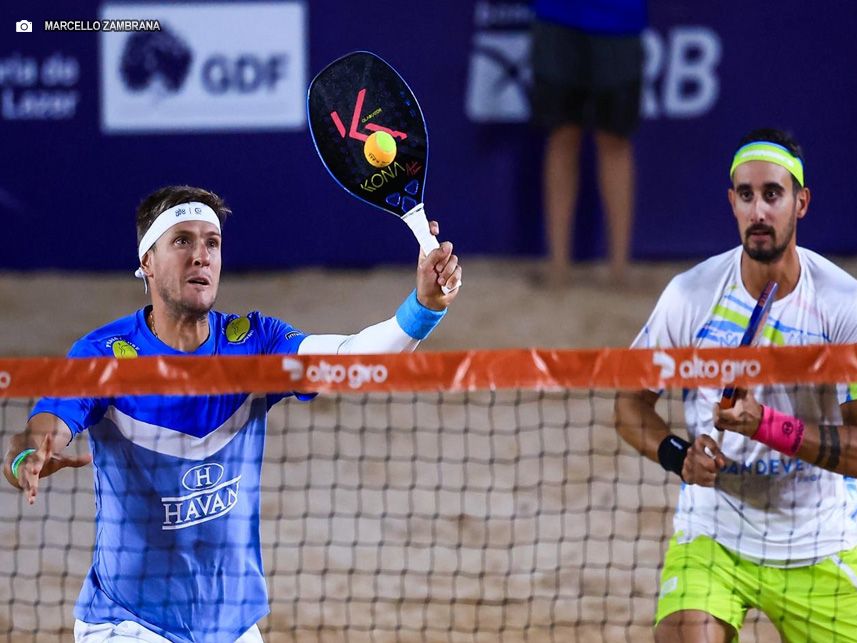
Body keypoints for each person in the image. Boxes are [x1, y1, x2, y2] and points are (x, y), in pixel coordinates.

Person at [2, 185, 462, 643]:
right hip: (127, 622)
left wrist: (422, 308)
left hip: (231, 624)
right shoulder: (102, 355)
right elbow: (45, 426)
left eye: (212, 242)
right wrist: (29, 456)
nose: (201, 255)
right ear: (147, 262)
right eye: (182, 240)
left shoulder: (255, 342)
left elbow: (352, 357)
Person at [615, 129, 857, 642]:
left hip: (819, 538)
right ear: (732, 202)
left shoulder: (844, 306)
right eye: (746, 196)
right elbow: (630, 405)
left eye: (773, 194)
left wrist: (765, 425)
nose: (759, 212)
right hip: (715, 535)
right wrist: (677, 455)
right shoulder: (690, 295)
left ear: (802, 202)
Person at [530, 0, 646, 287]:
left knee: (614, 139)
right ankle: (557, 269)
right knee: (561, 135)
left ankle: (619, 270)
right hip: (557, 16)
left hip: (619, 17)